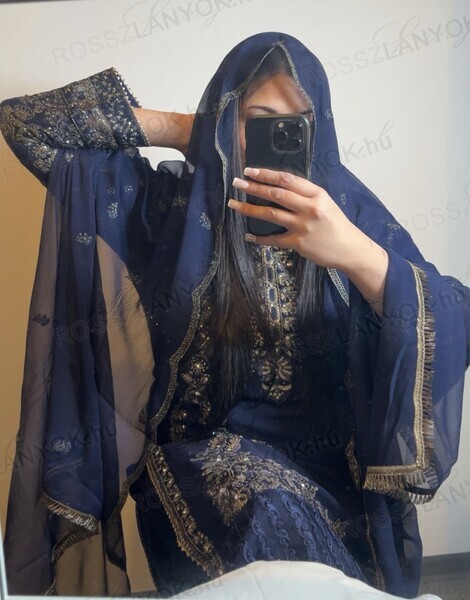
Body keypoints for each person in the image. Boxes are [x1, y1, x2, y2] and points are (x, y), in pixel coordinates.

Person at [1, 31, 469, 599]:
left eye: (296, 124)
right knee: (262, 522)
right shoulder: (163, 207)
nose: (278, 138)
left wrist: (357, 255)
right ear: (224, 116)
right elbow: (25, 124)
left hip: (331, 465)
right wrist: (190, 129)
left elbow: (452, 313)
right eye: (257, 120)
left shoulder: (345, 211)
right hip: (202, 457)